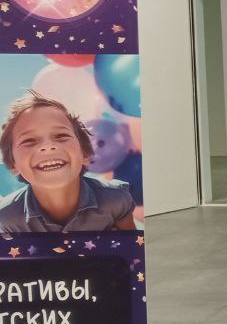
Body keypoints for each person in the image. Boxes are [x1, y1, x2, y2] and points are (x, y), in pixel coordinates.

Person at [0, 91, 135, 235]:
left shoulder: (116, 199)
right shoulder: (7, 218)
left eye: (61, 135)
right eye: (29, 140)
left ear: (85, 154)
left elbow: (132, 245)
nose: (47, 146)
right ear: (13, 164)